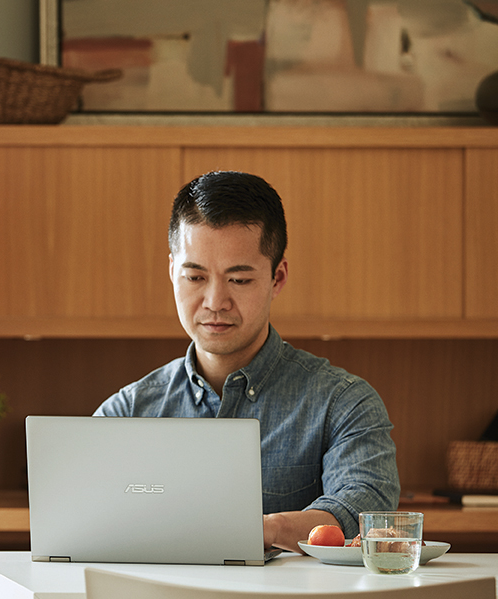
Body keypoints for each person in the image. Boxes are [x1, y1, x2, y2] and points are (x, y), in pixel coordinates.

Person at [93, 170, 400, 553]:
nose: (214, 302)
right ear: (172, 271)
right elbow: (86, 519)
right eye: (195, 277)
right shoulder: (128, 411)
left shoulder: (343, 402)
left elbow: (365, 508)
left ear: (278, 277)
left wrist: (262, 529)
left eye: (238, 280)